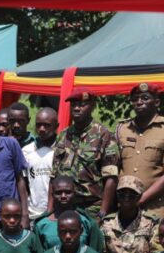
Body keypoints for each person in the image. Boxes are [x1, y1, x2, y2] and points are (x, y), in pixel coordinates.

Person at [51, 87, 119, 220]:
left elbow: (111, 178)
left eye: (82, 105)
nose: (77, 108)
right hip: (64, 206)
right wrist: (50, 210)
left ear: (93, 106)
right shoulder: (63, 135)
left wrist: (103, 213)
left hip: (92, 207)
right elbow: (53, 176)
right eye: (74, 105)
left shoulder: (104, 135)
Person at [117, 82, 164, 219]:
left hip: (155, 207)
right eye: (135, 99)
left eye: (145, 98)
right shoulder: (122, 129)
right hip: (125, 205)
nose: (139, 102)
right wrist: (126, 200)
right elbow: (115, 167)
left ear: (157, 102)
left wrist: (140, 200)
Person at [32, 176, 103, 253]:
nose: (63, 196)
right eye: (58, 193)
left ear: (74, 194)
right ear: (52, 195)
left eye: (68, 192)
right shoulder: (41, 224)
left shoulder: (87, 222)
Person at [23, 107, 57, 220]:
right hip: (32, 213)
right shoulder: (26, 151)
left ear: (56, 126)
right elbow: (24, 183)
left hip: (54, 214)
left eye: (47, 125)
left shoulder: (61, 151)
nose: (42, 129)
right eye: (38, 125)